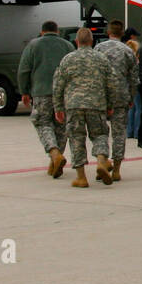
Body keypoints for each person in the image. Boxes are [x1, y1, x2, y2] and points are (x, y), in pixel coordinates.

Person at [52, 28, 110, 189]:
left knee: (76, 139)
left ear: (76, 42)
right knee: (100, 135)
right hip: (97, 104)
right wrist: (110, 105)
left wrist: (58, 107)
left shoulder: (67, 59)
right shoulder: (101, 59)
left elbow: (58, 86)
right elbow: (111, 84)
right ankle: (100, 161)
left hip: (73, 105)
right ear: (91, 41)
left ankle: (81, 177)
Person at [18, 20, 75, 178]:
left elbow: (24, 70)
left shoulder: (33, 45)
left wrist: (24, 91)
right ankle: (55, 161)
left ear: (42, 31)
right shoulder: (67, 46)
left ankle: (54, 153)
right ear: (57, 31)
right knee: (61, 127)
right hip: (63, 93)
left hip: (41, 92)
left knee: (43, 123)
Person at [92, 19, 140, 184]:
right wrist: (131, 97)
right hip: (121, 96)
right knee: (119, 133)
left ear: (108, 32)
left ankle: (103, 161)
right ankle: (117, 170)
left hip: (101, 96)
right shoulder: (127, 51)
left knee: (100, 132)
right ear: (122, 34)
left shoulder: (98, 49)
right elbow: (134, 78)